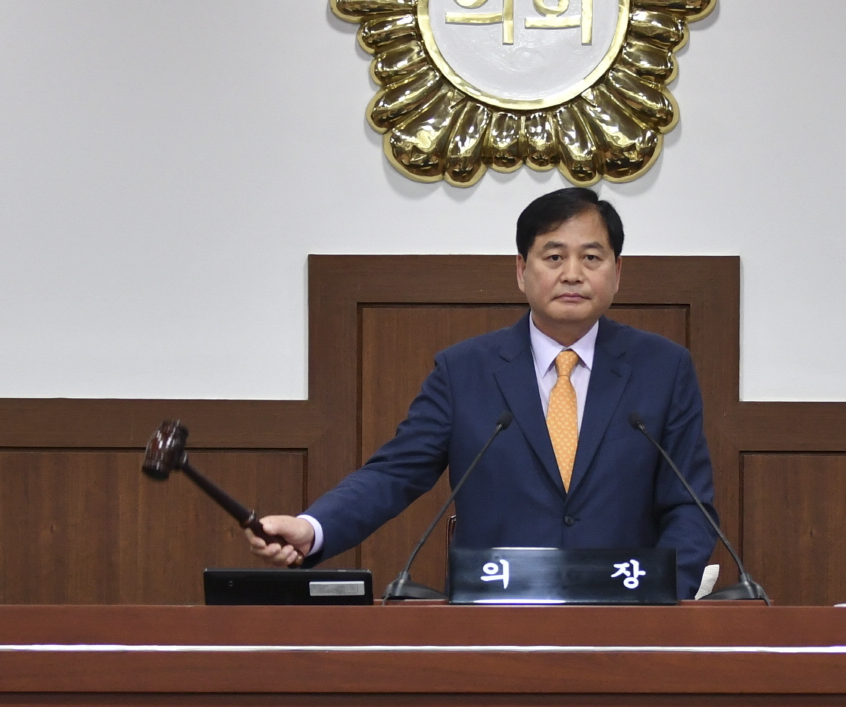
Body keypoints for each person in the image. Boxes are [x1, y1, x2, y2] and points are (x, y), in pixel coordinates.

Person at [249, 187, 718, 598]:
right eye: (554, 257)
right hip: (494, 613)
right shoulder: (464, 370)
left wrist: (662, 598)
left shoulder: (663, 368)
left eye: (591, 258)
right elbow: (394, 473)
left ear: (617, 272)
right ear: (521, 270)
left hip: (625, 616)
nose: (573, 274)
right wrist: (313, 528)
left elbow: (689, 505)